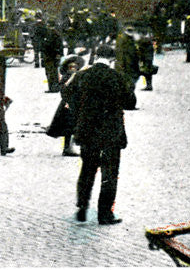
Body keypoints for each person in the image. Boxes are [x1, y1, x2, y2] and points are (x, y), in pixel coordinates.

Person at [64, 57, 136, 225]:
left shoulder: (83, 76)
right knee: (109, 174)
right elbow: (130, 102)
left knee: (87, 170)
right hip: (111, 133)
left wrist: (79, 112)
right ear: (111, 59)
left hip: (88, 131)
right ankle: (105, 214)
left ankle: (82, 207)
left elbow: (66, 93)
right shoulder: (116, 76)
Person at [46, 56, 84, 157]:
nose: (73, 68)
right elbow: (63, 89)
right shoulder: (69, 76)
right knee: (69, 127)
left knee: (71, 127)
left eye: (75, 66)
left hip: (73, 104)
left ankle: (70, 146)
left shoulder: (75, 76)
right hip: (69, 104)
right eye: (71, 66)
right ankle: (68, 148)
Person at [42, 20, 65, 93]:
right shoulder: (56, 33)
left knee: (51, 72)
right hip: (53, 55)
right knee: (53, 72)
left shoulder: (51, 34)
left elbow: (49, 45)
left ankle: (53, 88)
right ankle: (54, 87)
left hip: (50, 56)